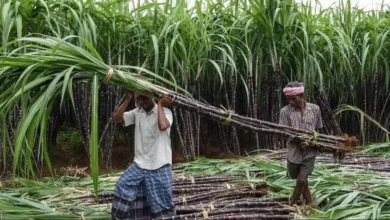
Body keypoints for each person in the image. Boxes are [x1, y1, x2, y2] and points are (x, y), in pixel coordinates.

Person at [111, 91, 175, 220]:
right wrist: (128, 99)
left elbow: (163, 126)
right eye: (138, 99)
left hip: (159, 164)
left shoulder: (165, 112)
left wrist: (161, 103)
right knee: (122, 185)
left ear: (152, 97)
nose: (141, 102)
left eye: (144, 98)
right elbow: (116, 119)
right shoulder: (137, 112)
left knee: (161, 202)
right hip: (140, 164)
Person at [279, 81, 323, 206]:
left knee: (302, 178)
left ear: (302, 95)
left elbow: (318, 128)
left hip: (310, 151)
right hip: (294, 151)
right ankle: (310, 202)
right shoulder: (285, 111)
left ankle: (292, 202)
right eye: (288, 99)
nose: (290, 102)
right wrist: (299, 140)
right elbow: (284, 132)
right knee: (300, 180)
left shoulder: (315, 109)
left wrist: (314, 142)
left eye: (293, 99)